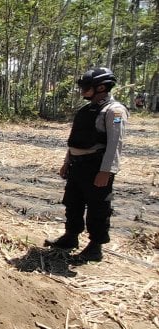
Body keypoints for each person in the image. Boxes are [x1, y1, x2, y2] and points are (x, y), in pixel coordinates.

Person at [44, 67, 127, 263]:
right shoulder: (85, 109)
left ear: (100, 87)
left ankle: (95, 247)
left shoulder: (114, 111)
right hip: (78, 165)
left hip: (96, 166)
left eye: (86, 87)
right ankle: (70, 237)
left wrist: (106, 171)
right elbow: (75, 141)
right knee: (73, 202)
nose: (82, 91)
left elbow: (116, 143)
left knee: (98, 207)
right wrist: (67, 162)